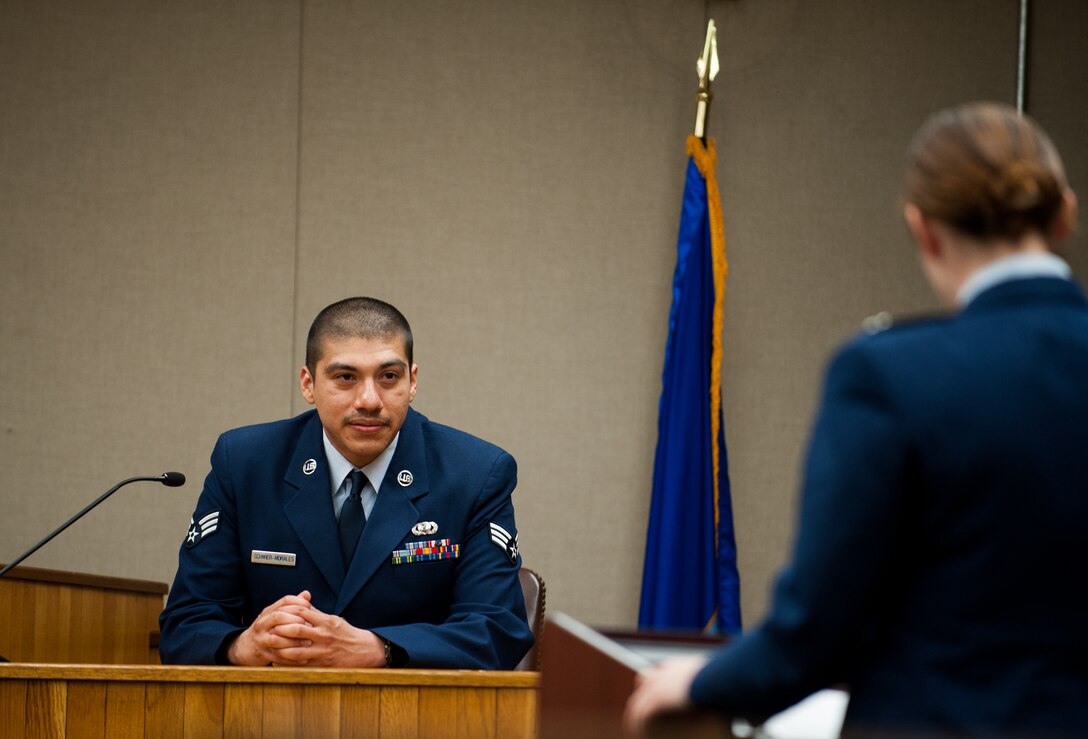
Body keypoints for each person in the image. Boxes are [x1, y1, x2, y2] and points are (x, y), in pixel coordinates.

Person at [625, 102, 1088, 736]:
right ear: (1065, 212)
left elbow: (819, 631)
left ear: (922, 229)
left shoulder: (891, 376)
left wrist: (700, 680)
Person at [159, 297, 533, 669]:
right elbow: (185, 624)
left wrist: (377, 648)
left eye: (389, 377)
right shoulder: (245, 463)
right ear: (309, 384)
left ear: (412, 381)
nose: (369, 400)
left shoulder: (476, 473)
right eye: (345, 378)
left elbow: (497, 629)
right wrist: (247, 645)